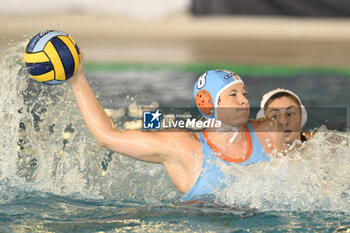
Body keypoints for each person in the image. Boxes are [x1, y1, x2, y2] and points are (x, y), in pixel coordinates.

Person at [68, 52, 284, 201]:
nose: (244, 101)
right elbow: (107, 136)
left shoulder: (268, 133)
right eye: (233, 95)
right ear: (208, 104)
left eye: (244, 93)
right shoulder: (183, 147)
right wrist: (77, 81)